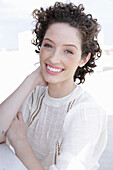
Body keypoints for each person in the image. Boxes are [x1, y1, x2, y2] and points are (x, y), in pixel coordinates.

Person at [0, 2, 107, 170]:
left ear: (83, 59)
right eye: (48, 46)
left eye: (68, 51)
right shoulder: (35, 94)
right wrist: (31, 79)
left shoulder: (86, 111)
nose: (54, 59)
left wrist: (19, 141)